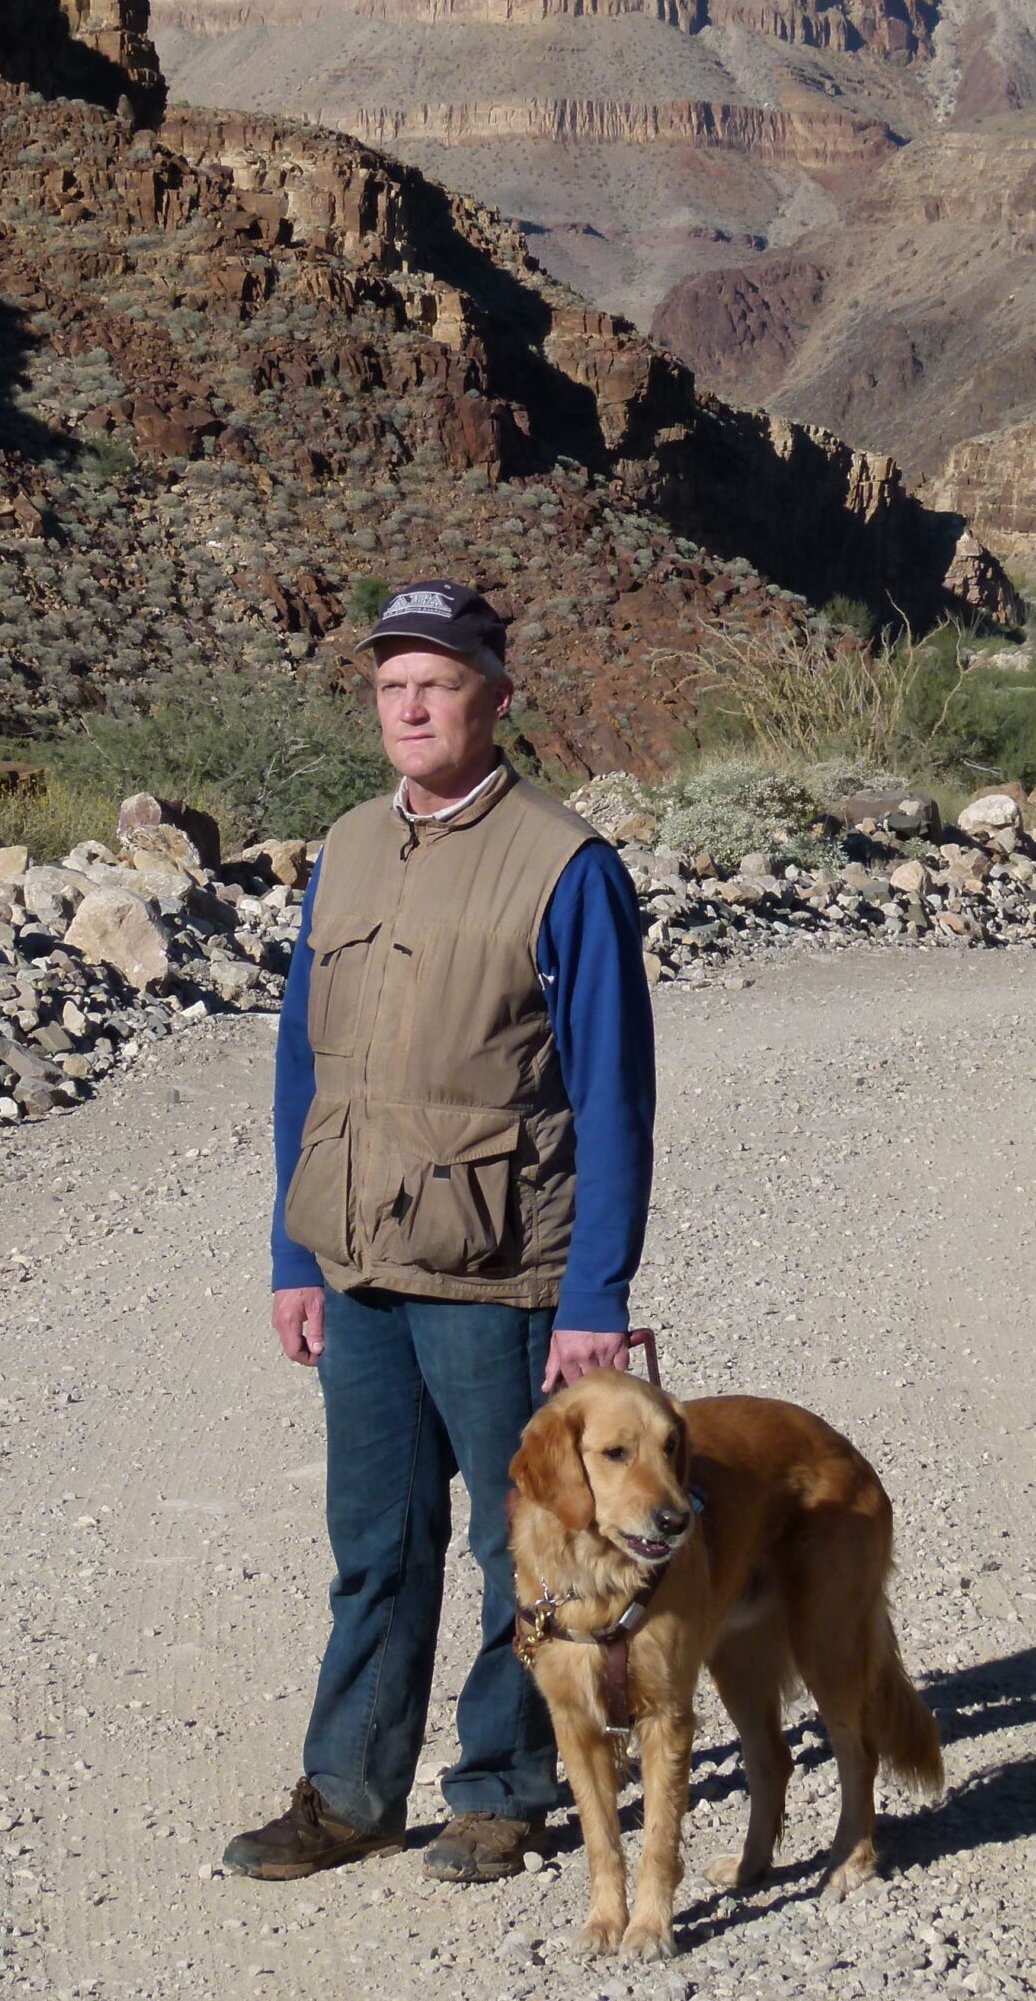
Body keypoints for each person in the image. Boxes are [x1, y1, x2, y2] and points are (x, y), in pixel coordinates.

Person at [222, 580, 657, 1885]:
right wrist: (296, 1255)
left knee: (518, 1543)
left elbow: (614, 1096)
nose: (411, 706)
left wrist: (595, 1296)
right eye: (392, 686)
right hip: (356, 1267)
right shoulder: (349, 848)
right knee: (376, 1543)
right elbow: (309, 1061)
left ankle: (504, 1788)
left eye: (439, 683)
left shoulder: (565, 864)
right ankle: (352, 1792)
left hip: (500, 1266)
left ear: (496, 701)